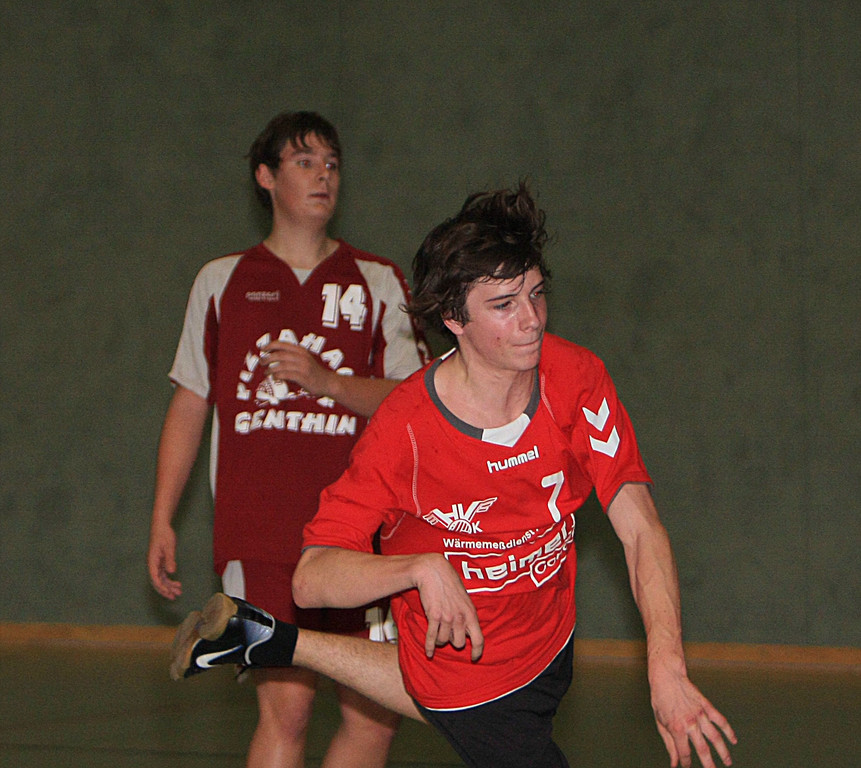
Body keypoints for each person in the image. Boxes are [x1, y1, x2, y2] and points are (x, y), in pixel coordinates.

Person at [169, 183, 737, 768]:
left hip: (550, 642)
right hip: (462, 666)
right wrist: (419, 568)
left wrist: (667, 668)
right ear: (453, 318)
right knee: (453, 699)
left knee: (439, 694)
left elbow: (640, 528)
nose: (531, 320)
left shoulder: (577, 379)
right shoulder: (404, 430)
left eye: (536, 294)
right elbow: (311, 581)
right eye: (504, 305)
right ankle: (276, 642)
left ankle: (269, 640)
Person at [148, 111, 429, 768]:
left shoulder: (378, 281)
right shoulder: (221, 282)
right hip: (262, 534)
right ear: (266, 177)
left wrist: (328, 382)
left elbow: (414, 401)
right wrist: (163, 517)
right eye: (304, 162)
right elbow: (190, 404)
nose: (323, 175)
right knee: (287, 710)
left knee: (374, 718)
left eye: (332, 163)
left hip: (361, 536)